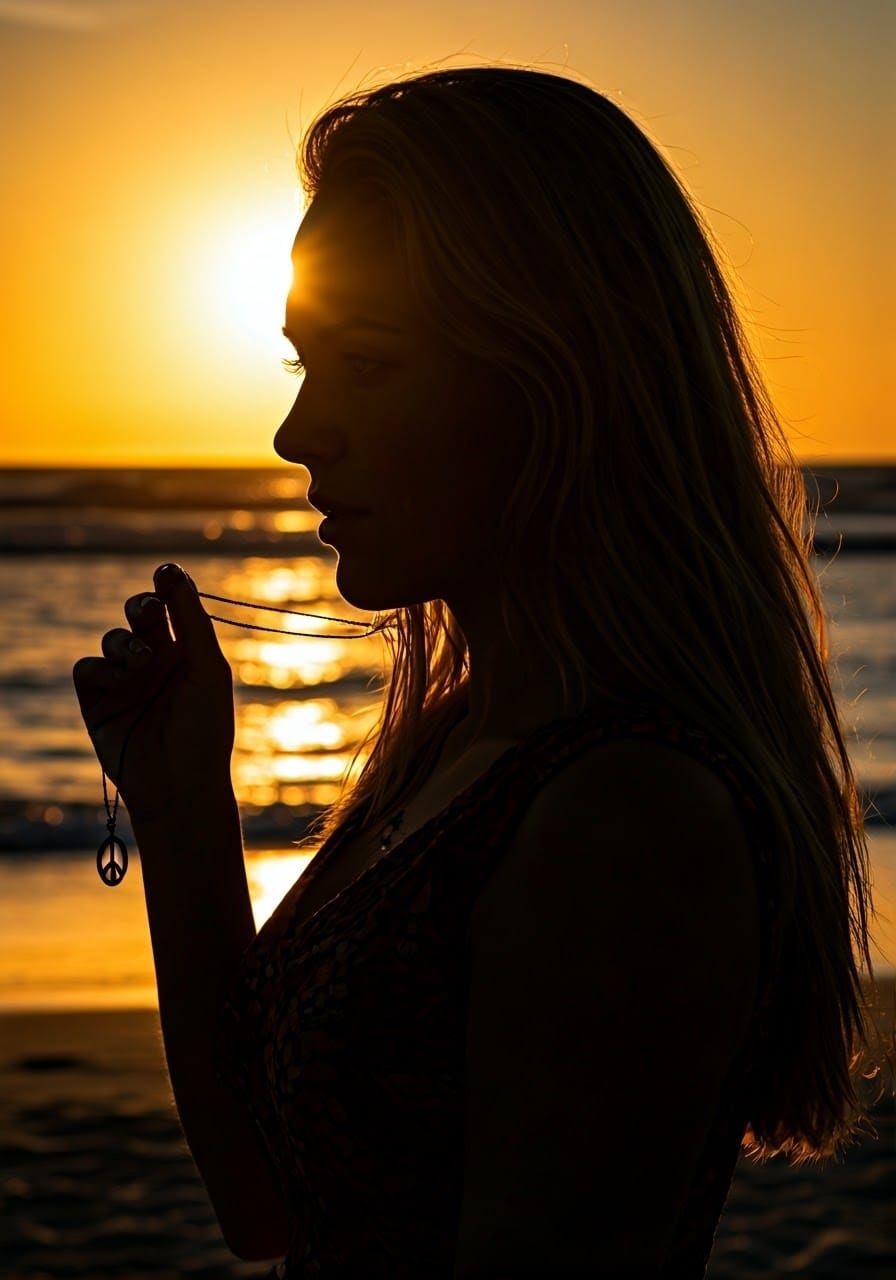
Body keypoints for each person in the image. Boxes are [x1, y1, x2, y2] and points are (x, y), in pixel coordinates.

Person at [72, 64, 892, 1278]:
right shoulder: (456, 744)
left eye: (374, 364)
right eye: (305, 365)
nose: (299, 435)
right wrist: (185, 810)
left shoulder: (623, 816)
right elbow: (262, 1200)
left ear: (553, 378)